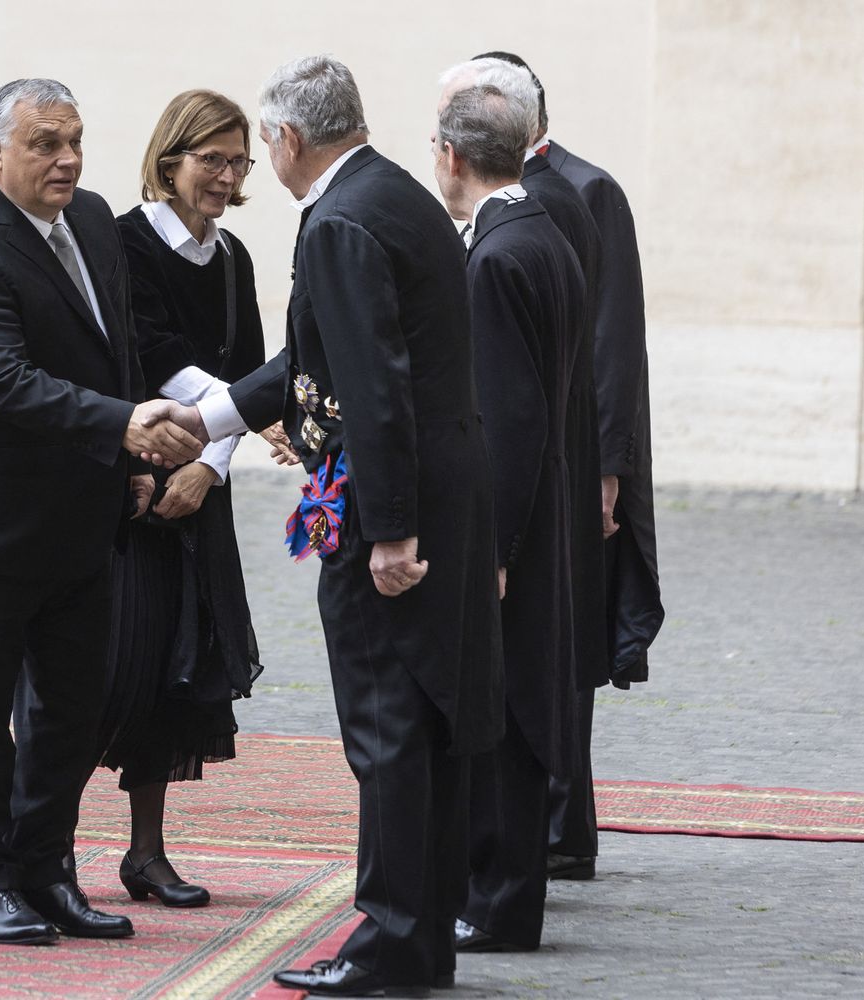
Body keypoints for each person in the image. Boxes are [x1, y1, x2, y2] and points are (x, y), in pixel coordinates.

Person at [196, 56, 504, 997]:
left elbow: (374, 384)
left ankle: (389, 940)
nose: (264, 161)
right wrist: (209, 419)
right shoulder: (394, 193)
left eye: (264, 145)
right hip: (441, 491)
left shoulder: (337, 219)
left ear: (289, 138)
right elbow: (316, 357)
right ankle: (423, 932)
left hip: (386, 509)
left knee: (387, 727)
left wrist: (391, 533)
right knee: (424, 719)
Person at [0, 78, 205, 947]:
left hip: (78, 515)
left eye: (74, 140)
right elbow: (7, 384)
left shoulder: (94, 218)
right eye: (44, 144)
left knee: (70, 712)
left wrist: (128, 462)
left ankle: (47, 871)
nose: (67, 159)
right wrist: (125, 428)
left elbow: (117, 350)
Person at [475, 50, 666, 881]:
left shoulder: (588, 189)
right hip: (538, 450)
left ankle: (561, 825)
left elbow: (614, 340)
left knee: (566, 633)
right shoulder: (503, 193)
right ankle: (561, 823)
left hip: (578, 453)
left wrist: (609, 469)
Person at [94, 89, 267, 907]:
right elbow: (150, 356)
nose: (226, 177)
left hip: (201, 485)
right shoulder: (122, 243)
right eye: (212, 160)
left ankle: (146, 852)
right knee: (108, 670)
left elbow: (253, 373)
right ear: (170, 161)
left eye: (239, 162)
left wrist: (212, 467)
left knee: (178, 671)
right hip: (130, 480)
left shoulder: (233, 259)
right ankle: (43, 847)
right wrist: (212, 436)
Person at [432, 80, 587, 953]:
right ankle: (504, 897)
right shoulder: (540, 232)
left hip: (511, 524)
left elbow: (509, 416)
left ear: (452, 156)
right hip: (544, 509)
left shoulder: (496, 256)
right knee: (519, 704)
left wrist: (492, 546)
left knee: (503, 715)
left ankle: (497, 903)